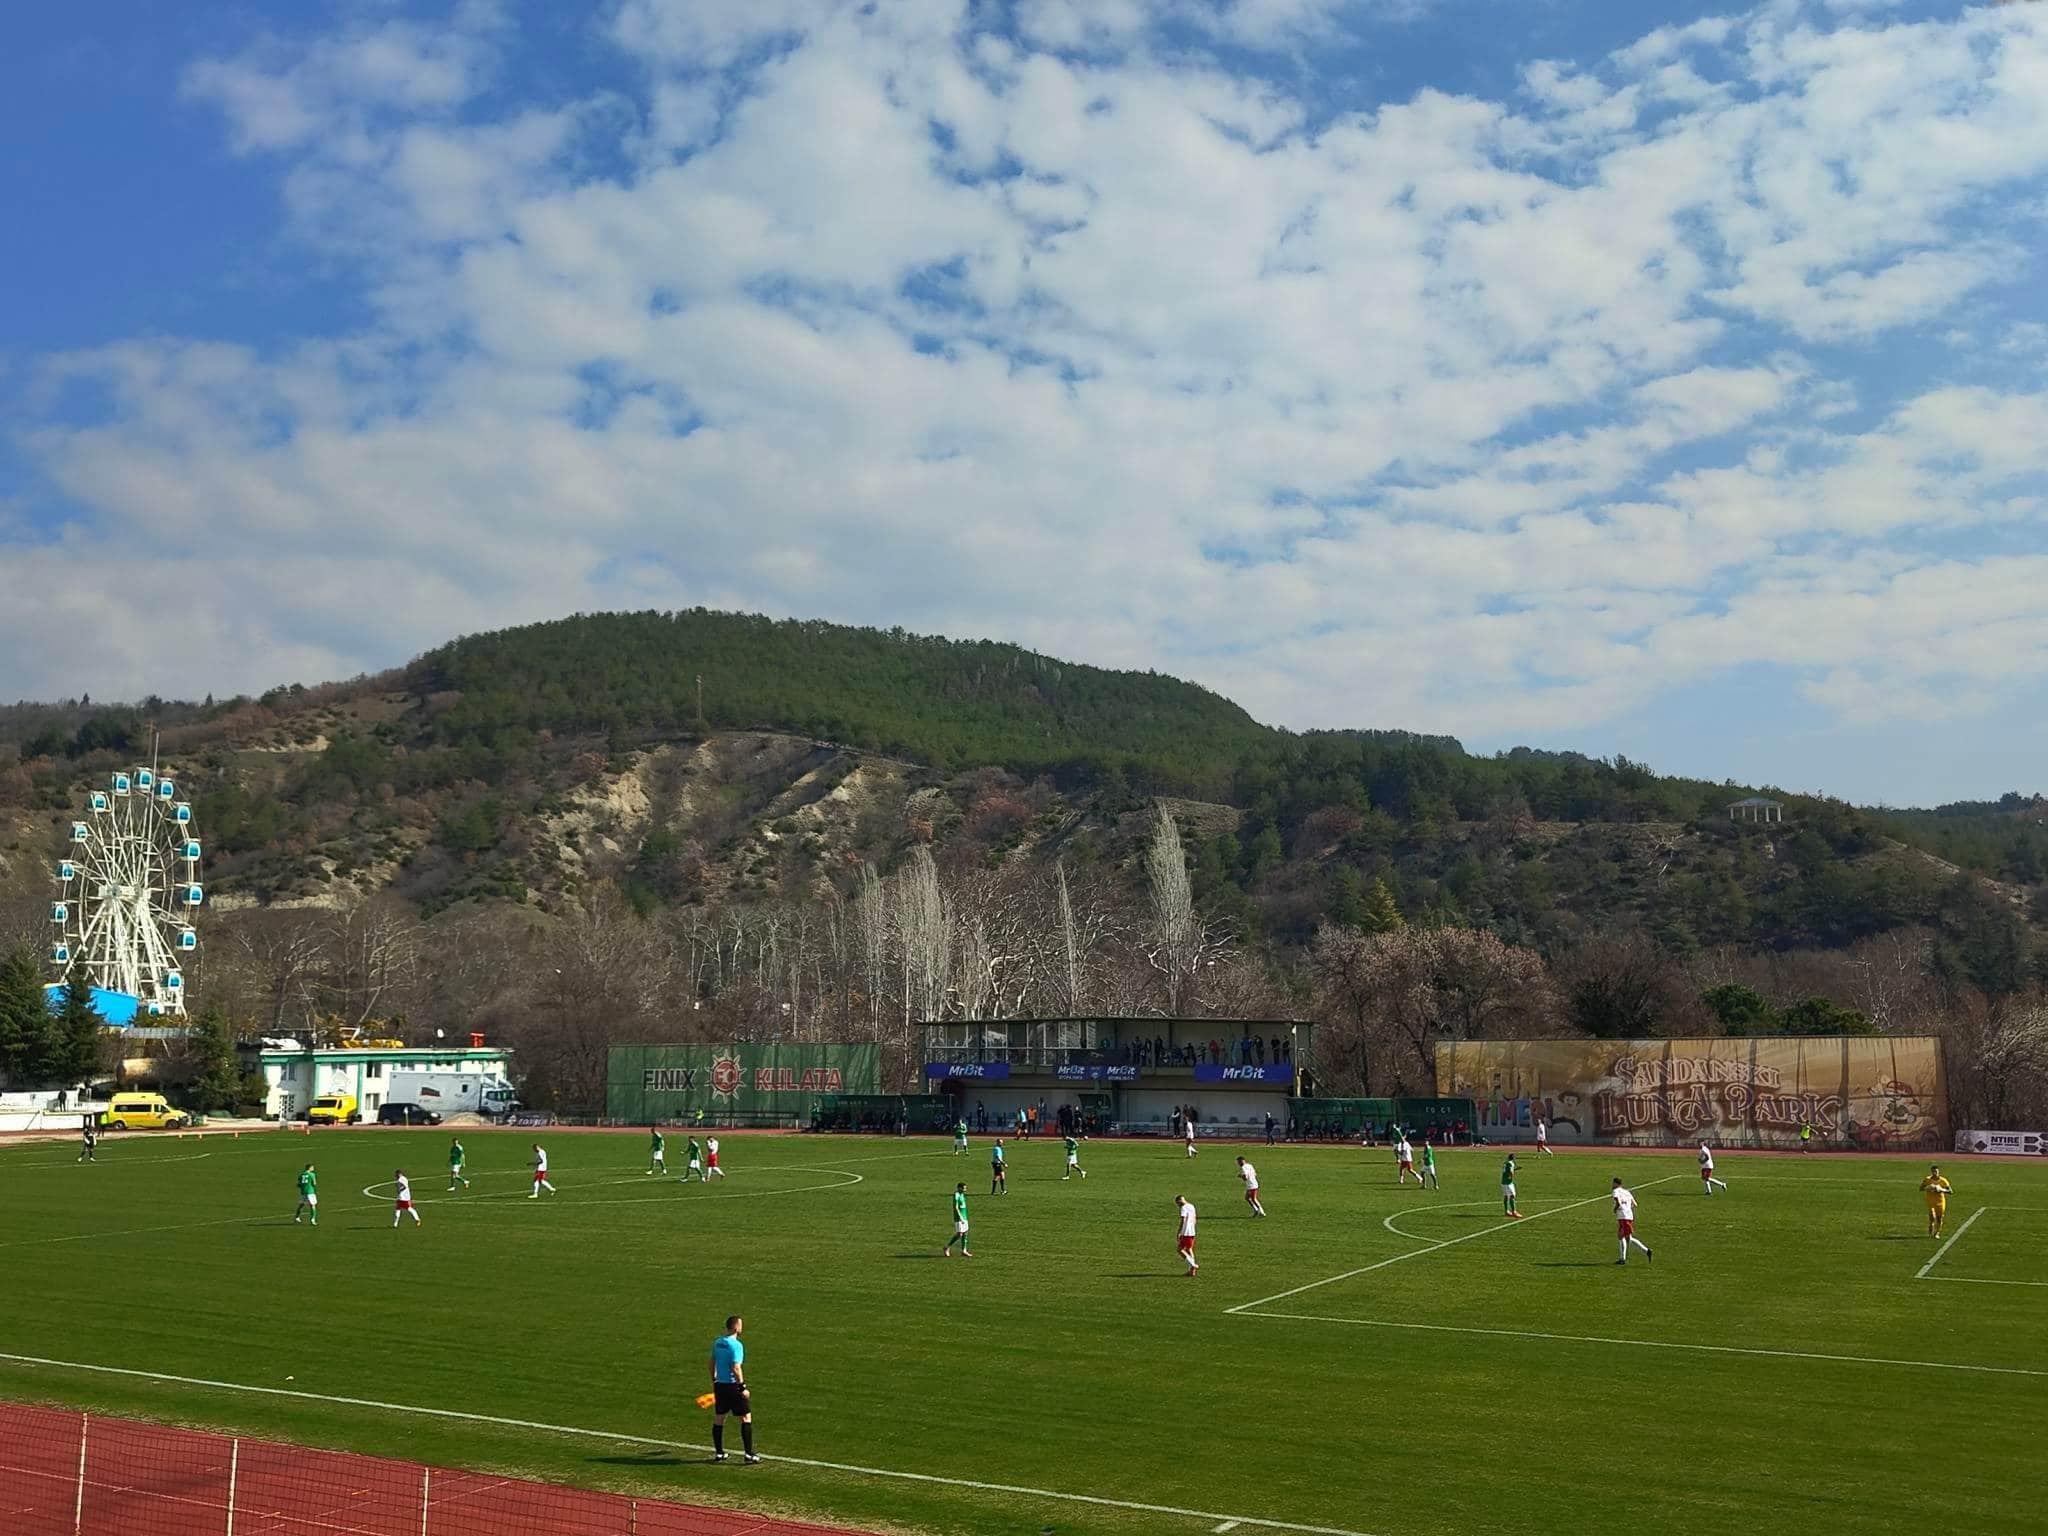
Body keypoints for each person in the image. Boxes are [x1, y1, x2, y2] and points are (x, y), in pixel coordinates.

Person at [710, 1315, 758, 1464]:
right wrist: (742, 1387)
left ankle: (719, 1453)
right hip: (733, 1386)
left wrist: (714, 1379)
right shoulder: (736, 1345)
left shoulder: (718, 1343)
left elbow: (712, 1362)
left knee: (719, 1417)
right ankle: (749, 1454)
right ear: (736, 1327)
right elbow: (736, 1367)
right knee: (745, 1418)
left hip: (720, 1385)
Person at [1612, 1178, 1652, 1264]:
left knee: (1624, 1237)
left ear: (1616, 1183)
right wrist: (1627, 1208)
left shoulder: (1616, 1191)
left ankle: (1624, 1259)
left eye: (1613, 1183)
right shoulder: (1627, 1192)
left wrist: (1615, 1209)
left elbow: (1617, 1202)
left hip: (1623, 1216)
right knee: (1624, 1237)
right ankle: (1624, 1258)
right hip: (1629, 1216)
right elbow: (1635, 1204)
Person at [1920, 1165, 1953, 1237]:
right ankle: (1930, 1231)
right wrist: (1928, 1188)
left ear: (1938, 1172)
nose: (1935, 1173)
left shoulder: (1943, 1180)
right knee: (1932, 1217)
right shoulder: (1927, 1179)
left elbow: (1950, 1191)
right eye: (1933, 1172)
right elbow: (1921, 1188)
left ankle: (1937, 1233)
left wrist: (1941, 1190)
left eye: (1936, 1172)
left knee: (1939, 1218)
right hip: (1931, 1201)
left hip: (1940, 1201)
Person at [943, 1182, 973, 1257]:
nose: (965, 1190)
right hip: (959, 1218)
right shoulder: (956, 1195)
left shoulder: (962, 1194)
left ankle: (964, 1250)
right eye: (964, 1188)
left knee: (965, 1232)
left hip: (964, 1216)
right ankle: (947, 1247)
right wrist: (960, 1217)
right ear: (959, 1188)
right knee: (959, 1234)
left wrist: (964, 1217)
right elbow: (956, 1207)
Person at [1175, 1194, 1199, 1275]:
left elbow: (1183, 1220)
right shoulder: (1192, 1206)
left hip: (1185, 1233)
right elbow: (1195, 1218)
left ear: (1179, 1201)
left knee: (1179, 1250)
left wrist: (1179, 1232)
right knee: (1189, 1249)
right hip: (1192, 1232)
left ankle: (1192, 1264)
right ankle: (1192, 1271)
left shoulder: (1184, 1208)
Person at [1500, 1153, 1522, 1219]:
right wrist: (1511, 1178)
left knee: (1506, 1196)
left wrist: (1515, 1169)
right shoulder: (1511, 1163)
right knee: (1512, 1196)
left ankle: (1506, 1211)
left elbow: (1506, 1171)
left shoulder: (1506, 1163)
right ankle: (1514, 1212)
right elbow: (1510, 1171)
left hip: (1503, 1181)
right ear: (1513, 1158)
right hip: (1508, 1182)